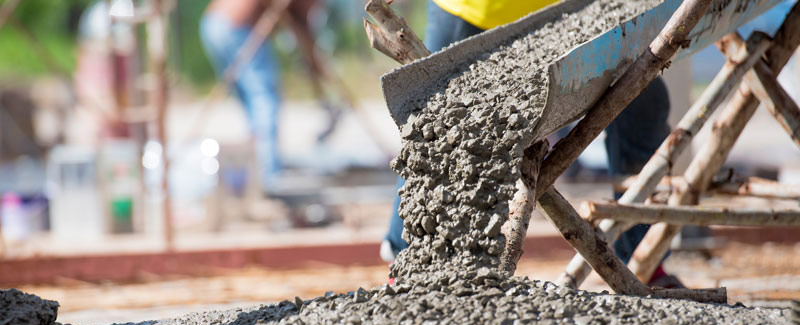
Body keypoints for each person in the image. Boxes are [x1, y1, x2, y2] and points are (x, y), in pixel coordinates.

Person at [380, 0, 682, 288]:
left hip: (575, 15)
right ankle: (408, 262)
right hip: (475, 11)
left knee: (644, 105)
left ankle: (646, 260)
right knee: (439, 129)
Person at [200, 0, 317, 194]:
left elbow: (299, 25)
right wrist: (315, 66)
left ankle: (256, 169)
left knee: (252, 104)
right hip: (237, 26)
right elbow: (303, 24)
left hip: (213, 23)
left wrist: (314, 67)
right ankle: (267, 176)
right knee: (265, 98)